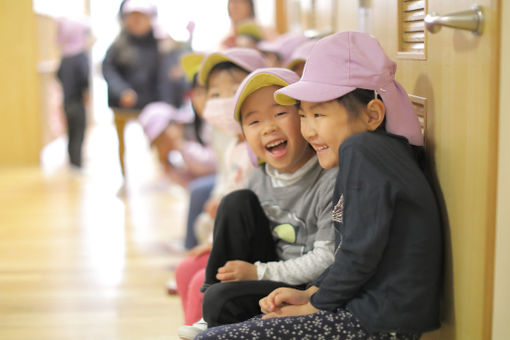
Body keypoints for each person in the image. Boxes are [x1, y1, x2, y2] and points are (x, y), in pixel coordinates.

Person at [196, 31, 443, 340]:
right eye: (303, 115)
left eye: (319, 114)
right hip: (362, 310)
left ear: (372, 114)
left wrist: (314, 302)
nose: (309, 131)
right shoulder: (370, 155)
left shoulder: (364, 152)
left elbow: (357, 255)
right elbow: (352, 254)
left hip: (376, 322)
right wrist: (312, 291)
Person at [184, 67, 338, 340]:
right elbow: (239, 227)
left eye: (280, 114)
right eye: (254, 122)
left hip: (305, 287)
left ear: (303, 118)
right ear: (243, 134)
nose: (268, 127)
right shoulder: (259, 176)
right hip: (270, 269)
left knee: (221, 301)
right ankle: (210, 308)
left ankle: (214, 314)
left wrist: (257, 271)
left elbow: (327, 259)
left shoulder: (328, 177)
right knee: (235, 201)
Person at [176, 48, 268, 339]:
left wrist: (217, 241)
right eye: (214, 94)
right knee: (185, 269)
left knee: (198, 285)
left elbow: (253, 206)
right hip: (231, 238)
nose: (221, 101)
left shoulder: (261, 147)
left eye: (233, 90)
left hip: (256, 246)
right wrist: (213, 239)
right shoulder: (233, 145)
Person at [102, 0, 160, 177]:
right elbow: (108, 70)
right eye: (132, 17)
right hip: (123, 104)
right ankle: (123, 171)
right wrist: (122, 91)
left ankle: (161, 169)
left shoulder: (159, 45)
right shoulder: (118, 45)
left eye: (140, 17)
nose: (136, 22)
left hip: (151, 102)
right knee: (121, 140)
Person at [55, 16, 91, 169]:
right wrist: (86, 93)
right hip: (77, 101)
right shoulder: (80, 56)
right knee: (79, 132)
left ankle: (72, 160)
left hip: (67, 101)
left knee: (70, 131)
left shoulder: (65, 56)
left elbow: (58, 75)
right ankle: (77, 162)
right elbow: (84, 78)